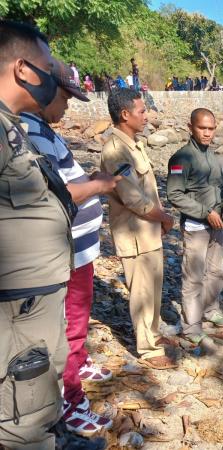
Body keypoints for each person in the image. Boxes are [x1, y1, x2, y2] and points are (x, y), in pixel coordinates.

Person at [21, 58, 119, 436]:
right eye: (65, 97)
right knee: (69, 326)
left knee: (77, 320)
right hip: (66, 251)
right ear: (44, 91)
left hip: (80, 251)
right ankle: (72, 402)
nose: (69, 106)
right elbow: (55, 193)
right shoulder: (29, 131)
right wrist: (99, 186)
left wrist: (89, 182)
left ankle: (78, 363)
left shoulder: (44, 127)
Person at [0, 20, 70, 449]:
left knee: (40, 397)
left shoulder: (13, 126)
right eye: (48, 68)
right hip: (16, 309)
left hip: (35, 300)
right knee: (20, 416)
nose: (54, 81)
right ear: (24, 69)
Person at [100, 88, 177, 370]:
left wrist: (159, 219)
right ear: (125, 114)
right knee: (141, 291)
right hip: (134, 234)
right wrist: (165, 218)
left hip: (149, 232)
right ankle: (146, 349)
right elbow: (134, 199)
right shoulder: (114, 150)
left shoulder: (135, 144)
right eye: (142, 111)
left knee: (154, 286)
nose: (147, 116)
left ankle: (154, 335)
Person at [167, 108, 223, 349]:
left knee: (216, 272)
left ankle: (211, 309)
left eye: (211, 128)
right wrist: (206, 213)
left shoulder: (212, 155)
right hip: (197, 226)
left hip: (217, 225)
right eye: (202, 128)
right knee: (193, 278)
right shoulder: (181, 158)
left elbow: (221, 187)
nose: (207, 133)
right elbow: (174, 194)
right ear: (190, 127)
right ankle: (191, 326)